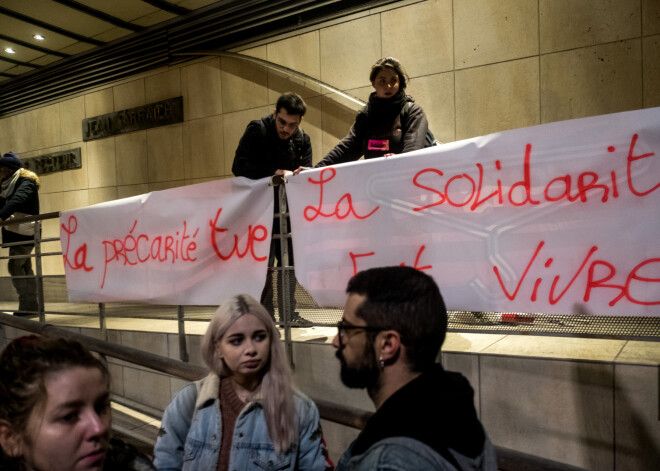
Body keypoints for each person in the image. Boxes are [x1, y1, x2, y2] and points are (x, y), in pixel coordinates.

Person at [333, 266, 497, 470]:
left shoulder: (390, 461)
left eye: (347, 329)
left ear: (387, 345)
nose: (336, 342)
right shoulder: (455, 413)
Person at [153, 294, 332, 471]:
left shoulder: (300, 410)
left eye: (259, 337)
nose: (250, 349)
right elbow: (164, 464)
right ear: (218, 348)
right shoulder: (188, 402)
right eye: (236, 341)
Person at [0, 335, 156, 471]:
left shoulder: (133, 465)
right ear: (11, 439)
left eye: (101, 408)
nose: (99, 428)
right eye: (68, 417)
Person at [232, 93, 312, 324]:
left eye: (293, 125)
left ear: (300, 123)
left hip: (288, 212)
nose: (286, 129)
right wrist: (275, 173)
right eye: (282, 122)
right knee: (264, 266)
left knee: (289, 265)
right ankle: (264, 318)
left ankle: (289, 314)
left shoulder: (302, 139)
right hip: (259, 211)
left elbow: (306, 171)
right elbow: (239, 166)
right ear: (274, 113)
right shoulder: (258, 130)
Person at [309, 57, 428, 169]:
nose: (388, 86)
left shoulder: (413, 112)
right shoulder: (366, 117)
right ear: (373, 83)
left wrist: (399, 162)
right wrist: (313, 171)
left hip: (405, 182)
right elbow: (346, 150)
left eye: (394, 80)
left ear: (400, 83)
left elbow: (413, 153)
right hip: (375, 185)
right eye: (382, 81)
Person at [0, 152, 40, 317]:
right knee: (24, 266)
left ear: (8, 169)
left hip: (26, 231)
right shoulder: (5, 183)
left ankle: (28, 304)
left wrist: (1, 215)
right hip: (15, 232)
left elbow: (18, 199)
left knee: (15, 266)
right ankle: (31, 304)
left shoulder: (27, 181)